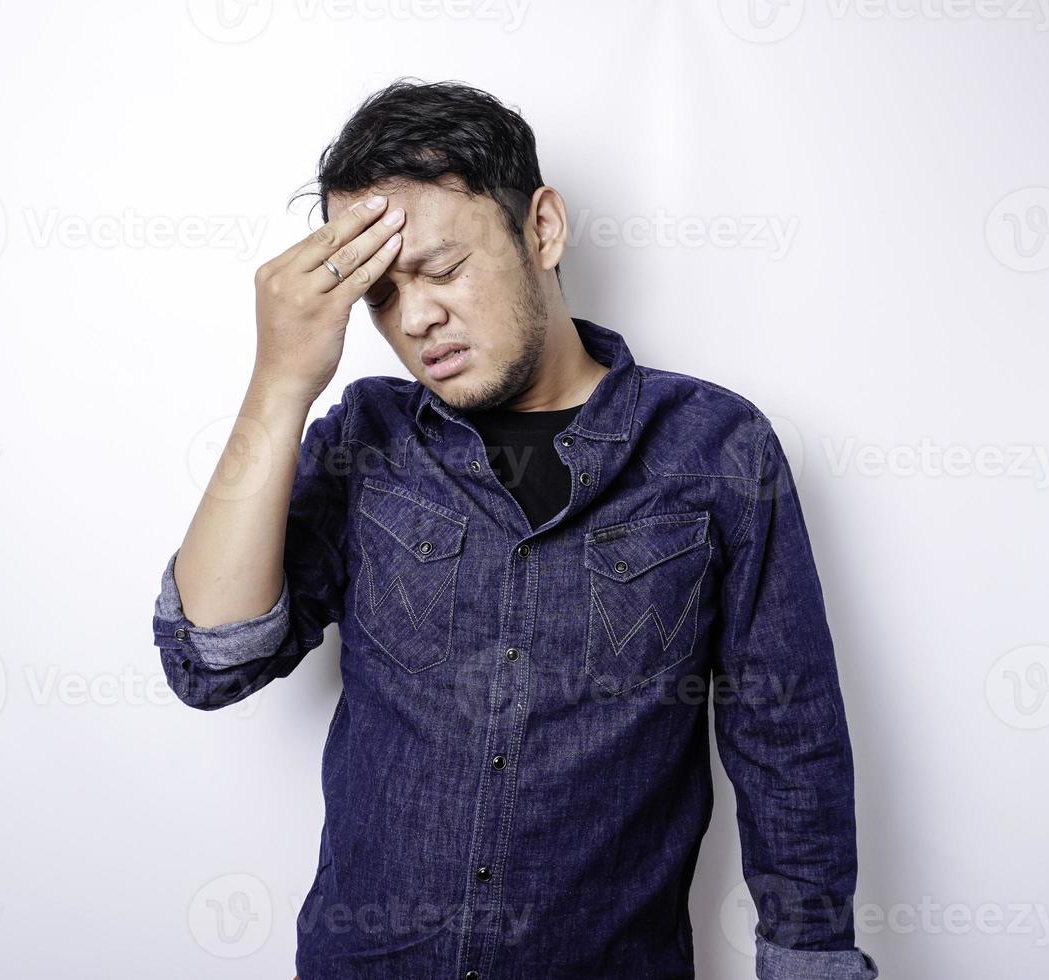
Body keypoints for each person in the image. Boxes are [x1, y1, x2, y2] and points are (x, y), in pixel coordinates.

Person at [152, 78, 878, 980]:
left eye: (443, 270)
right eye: (379, 296)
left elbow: (787, 736)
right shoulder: (366, 439)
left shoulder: (715, 447)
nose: (415, 319)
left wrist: (809, 961)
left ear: (542, 229)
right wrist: (280, 382)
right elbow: (213, 659)